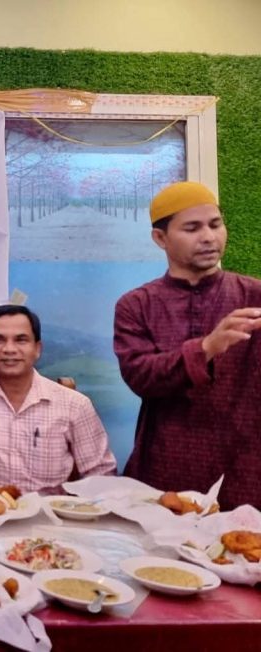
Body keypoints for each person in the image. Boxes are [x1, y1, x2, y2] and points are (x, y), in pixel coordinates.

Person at [114, 181, 261, 508]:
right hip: (166, 467)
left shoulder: (254, 296)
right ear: (160, 238)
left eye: (215, 224)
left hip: (247, 471)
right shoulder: (137, 305)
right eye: (192, 228)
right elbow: (140, 376)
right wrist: (206, 347)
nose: (208, 237)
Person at [0, 304, 116, 493]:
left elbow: (101, 475)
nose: (9, 349)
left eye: (21, 340)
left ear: (37, 348)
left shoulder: (74, 404)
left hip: (50, 509)